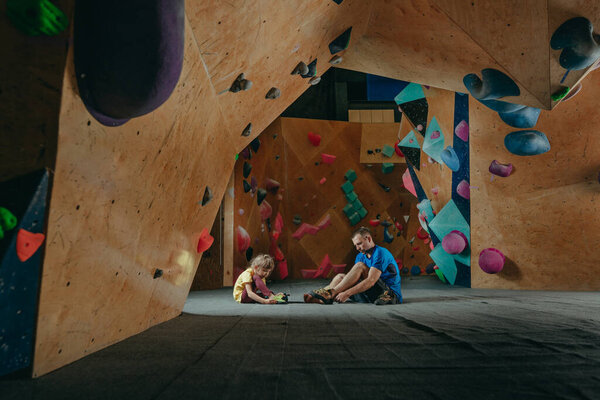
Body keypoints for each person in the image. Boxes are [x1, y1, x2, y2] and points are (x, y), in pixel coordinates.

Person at [304, 226, 402, 305]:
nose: (357, 248)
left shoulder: (380, 253)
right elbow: (353, 280)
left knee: (360, 266)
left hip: (387, 294)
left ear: (368, 238)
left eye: (359, 244)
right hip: (371, 293)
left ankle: (331, 293)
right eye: (355, 245)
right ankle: (323, 297)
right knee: (340, 277)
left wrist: (346, 293)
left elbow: (371, 281)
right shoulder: (360, 256)